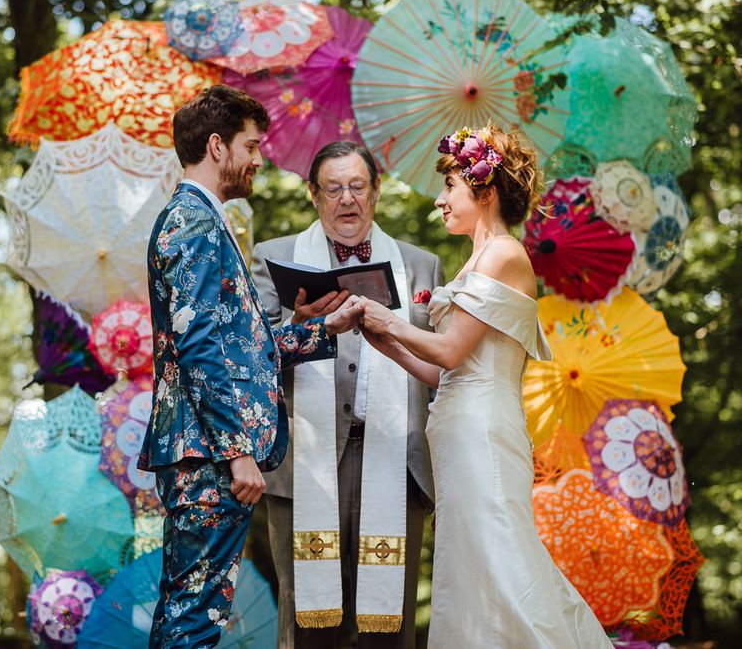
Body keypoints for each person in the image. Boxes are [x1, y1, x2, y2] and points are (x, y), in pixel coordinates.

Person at [355, 122, 614, 648]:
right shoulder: (477, 258)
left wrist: (386, 320)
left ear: (486, 192)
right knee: (471, 568)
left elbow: (450, 350)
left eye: (450, 186)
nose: (440, 200)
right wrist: (390, 345)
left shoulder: (503, 255)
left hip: (483, 434)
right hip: (457, 429)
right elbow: (442, 370)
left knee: (503, 565)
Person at [138, 85, 362, 649]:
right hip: (209, 454)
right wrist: (237, 451)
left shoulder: (206, 219)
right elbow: (198, 346)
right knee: (194, 615)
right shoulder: (192, 221)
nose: (259, 160)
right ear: (218, 146)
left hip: (208, 450)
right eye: (251, 146)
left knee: (195, 610)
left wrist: (321, 330)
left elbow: (237, 345)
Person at [251, 141, 444, 649]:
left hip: (396, 460)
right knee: (308, 623)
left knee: (391, 623)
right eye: (333, 189)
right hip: (304, 465)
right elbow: (249, 360)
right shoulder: (273, 259)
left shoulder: (421, 266)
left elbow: (444, 372)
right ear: (313, 195)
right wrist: (299, 324)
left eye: (358, 186)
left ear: (376, 192)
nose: (347, 200)